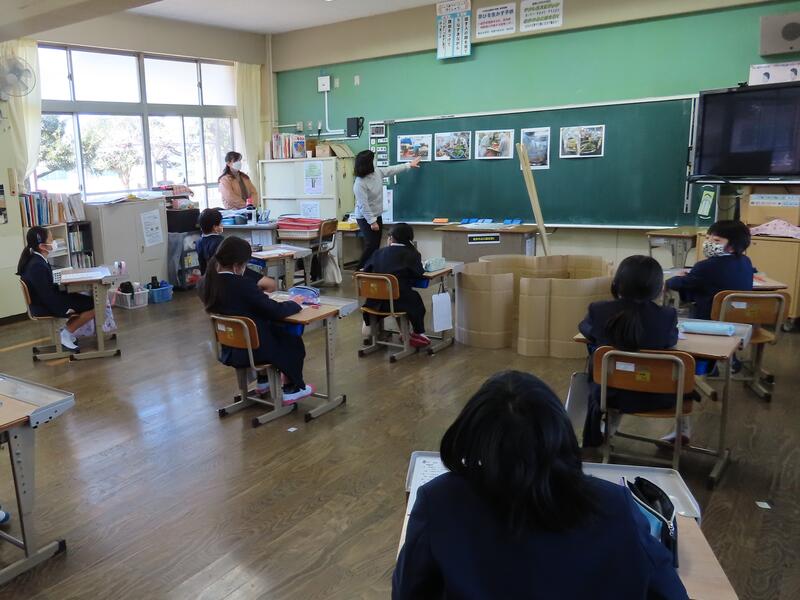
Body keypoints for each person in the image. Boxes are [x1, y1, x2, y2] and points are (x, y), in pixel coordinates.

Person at [393, 370, 688, 600]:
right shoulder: (614, 505)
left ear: (473, 435)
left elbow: (408, 591)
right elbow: (669, 592)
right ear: (559, 432)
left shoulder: (439, 501)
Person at [579, 255, 690, 446]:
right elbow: (670, 341)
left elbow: (585, 328)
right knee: (683, 373)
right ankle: (683, 430)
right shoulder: (666, 316)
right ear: (658, 288)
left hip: (609, 394)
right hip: (658, 396)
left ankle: (605, 429)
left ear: (617, 283)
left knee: (607, 368)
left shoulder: (599, 310)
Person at [201, 236, 313, 403]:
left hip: (229, 347)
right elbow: (275, 311)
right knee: (291, 341)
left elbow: (240, 304)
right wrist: (294, 303)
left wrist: (258, 297)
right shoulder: (242, 285)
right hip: (254, 349)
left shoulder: (207, 284)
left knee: (264, 331)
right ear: (237, 265)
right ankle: (292, 389)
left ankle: (263, 381)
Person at [17, 226, 95, 351]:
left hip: (46, 300)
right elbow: (47, 296)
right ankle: (65, 333)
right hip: (44, 306)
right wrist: (65, 310)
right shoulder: (37, 265)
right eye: (51, 239)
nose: (54, 242)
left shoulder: (37, 259)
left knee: (85, 299)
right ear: (42, 246)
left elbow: (46, 289)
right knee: (95, 304)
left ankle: (66, 332)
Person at [665, 220, 754, 320]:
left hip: (710, 320)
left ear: (732, 246)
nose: (708, 243)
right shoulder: (746, 260)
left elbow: (675, 284)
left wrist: (677, 277)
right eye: (707, 238)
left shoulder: (705, 266)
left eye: (716, 240)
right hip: (740, 319)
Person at [362, 223, 429, 347]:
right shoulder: (412, 254)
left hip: (374, 302)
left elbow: (365, 271)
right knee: (413, 298)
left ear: (391, 238)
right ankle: (417, 332)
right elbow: (419, 274)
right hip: (398, 302)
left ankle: (373, 332)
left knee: (400, 293)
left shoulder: (378, 253)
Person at [353, 150, 420, 268]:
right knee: (371, 245)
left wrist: (408, 165)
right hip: (365, 217)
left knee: (376, 245)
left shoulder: (376, 172)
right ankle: (360, 270)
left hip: (377, 214)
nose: (375, 161)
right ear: (368, 163)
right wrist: (372, 222)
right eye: (373, 159)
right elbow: (364, 205)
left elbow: (391, 170)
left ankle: (371, 269)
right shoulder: (359, 183)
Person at [196, 208, 276, 292]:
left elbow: (202, 267)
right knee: (271, 284)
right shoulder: (222, 242)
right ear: (215, 227)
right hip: (233, 274)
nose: (222, 225)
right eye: (220, 223)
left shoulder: (199, 242)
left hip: (211, 280)